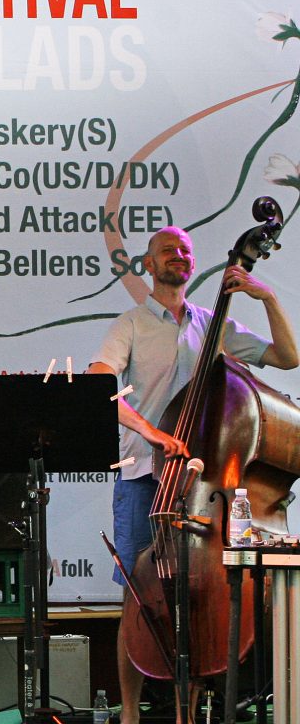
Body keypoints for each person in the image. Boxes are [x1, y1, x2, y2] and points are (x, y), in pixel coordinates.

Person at [87, 226, 298, 724]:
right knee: (138, 598)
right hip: (146, 477)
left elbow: (288, 358)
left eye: (184, 249)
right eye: (167, 250)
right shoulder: (131, 324)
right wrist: (153, 433)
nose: (177, 255)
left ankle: (191, 708)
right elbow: (98, 384)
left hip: (205, 485)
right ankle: (131, 713)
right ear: (148, 264)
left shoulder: (212, 323)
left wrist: (266, 297)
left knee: (202, 596)